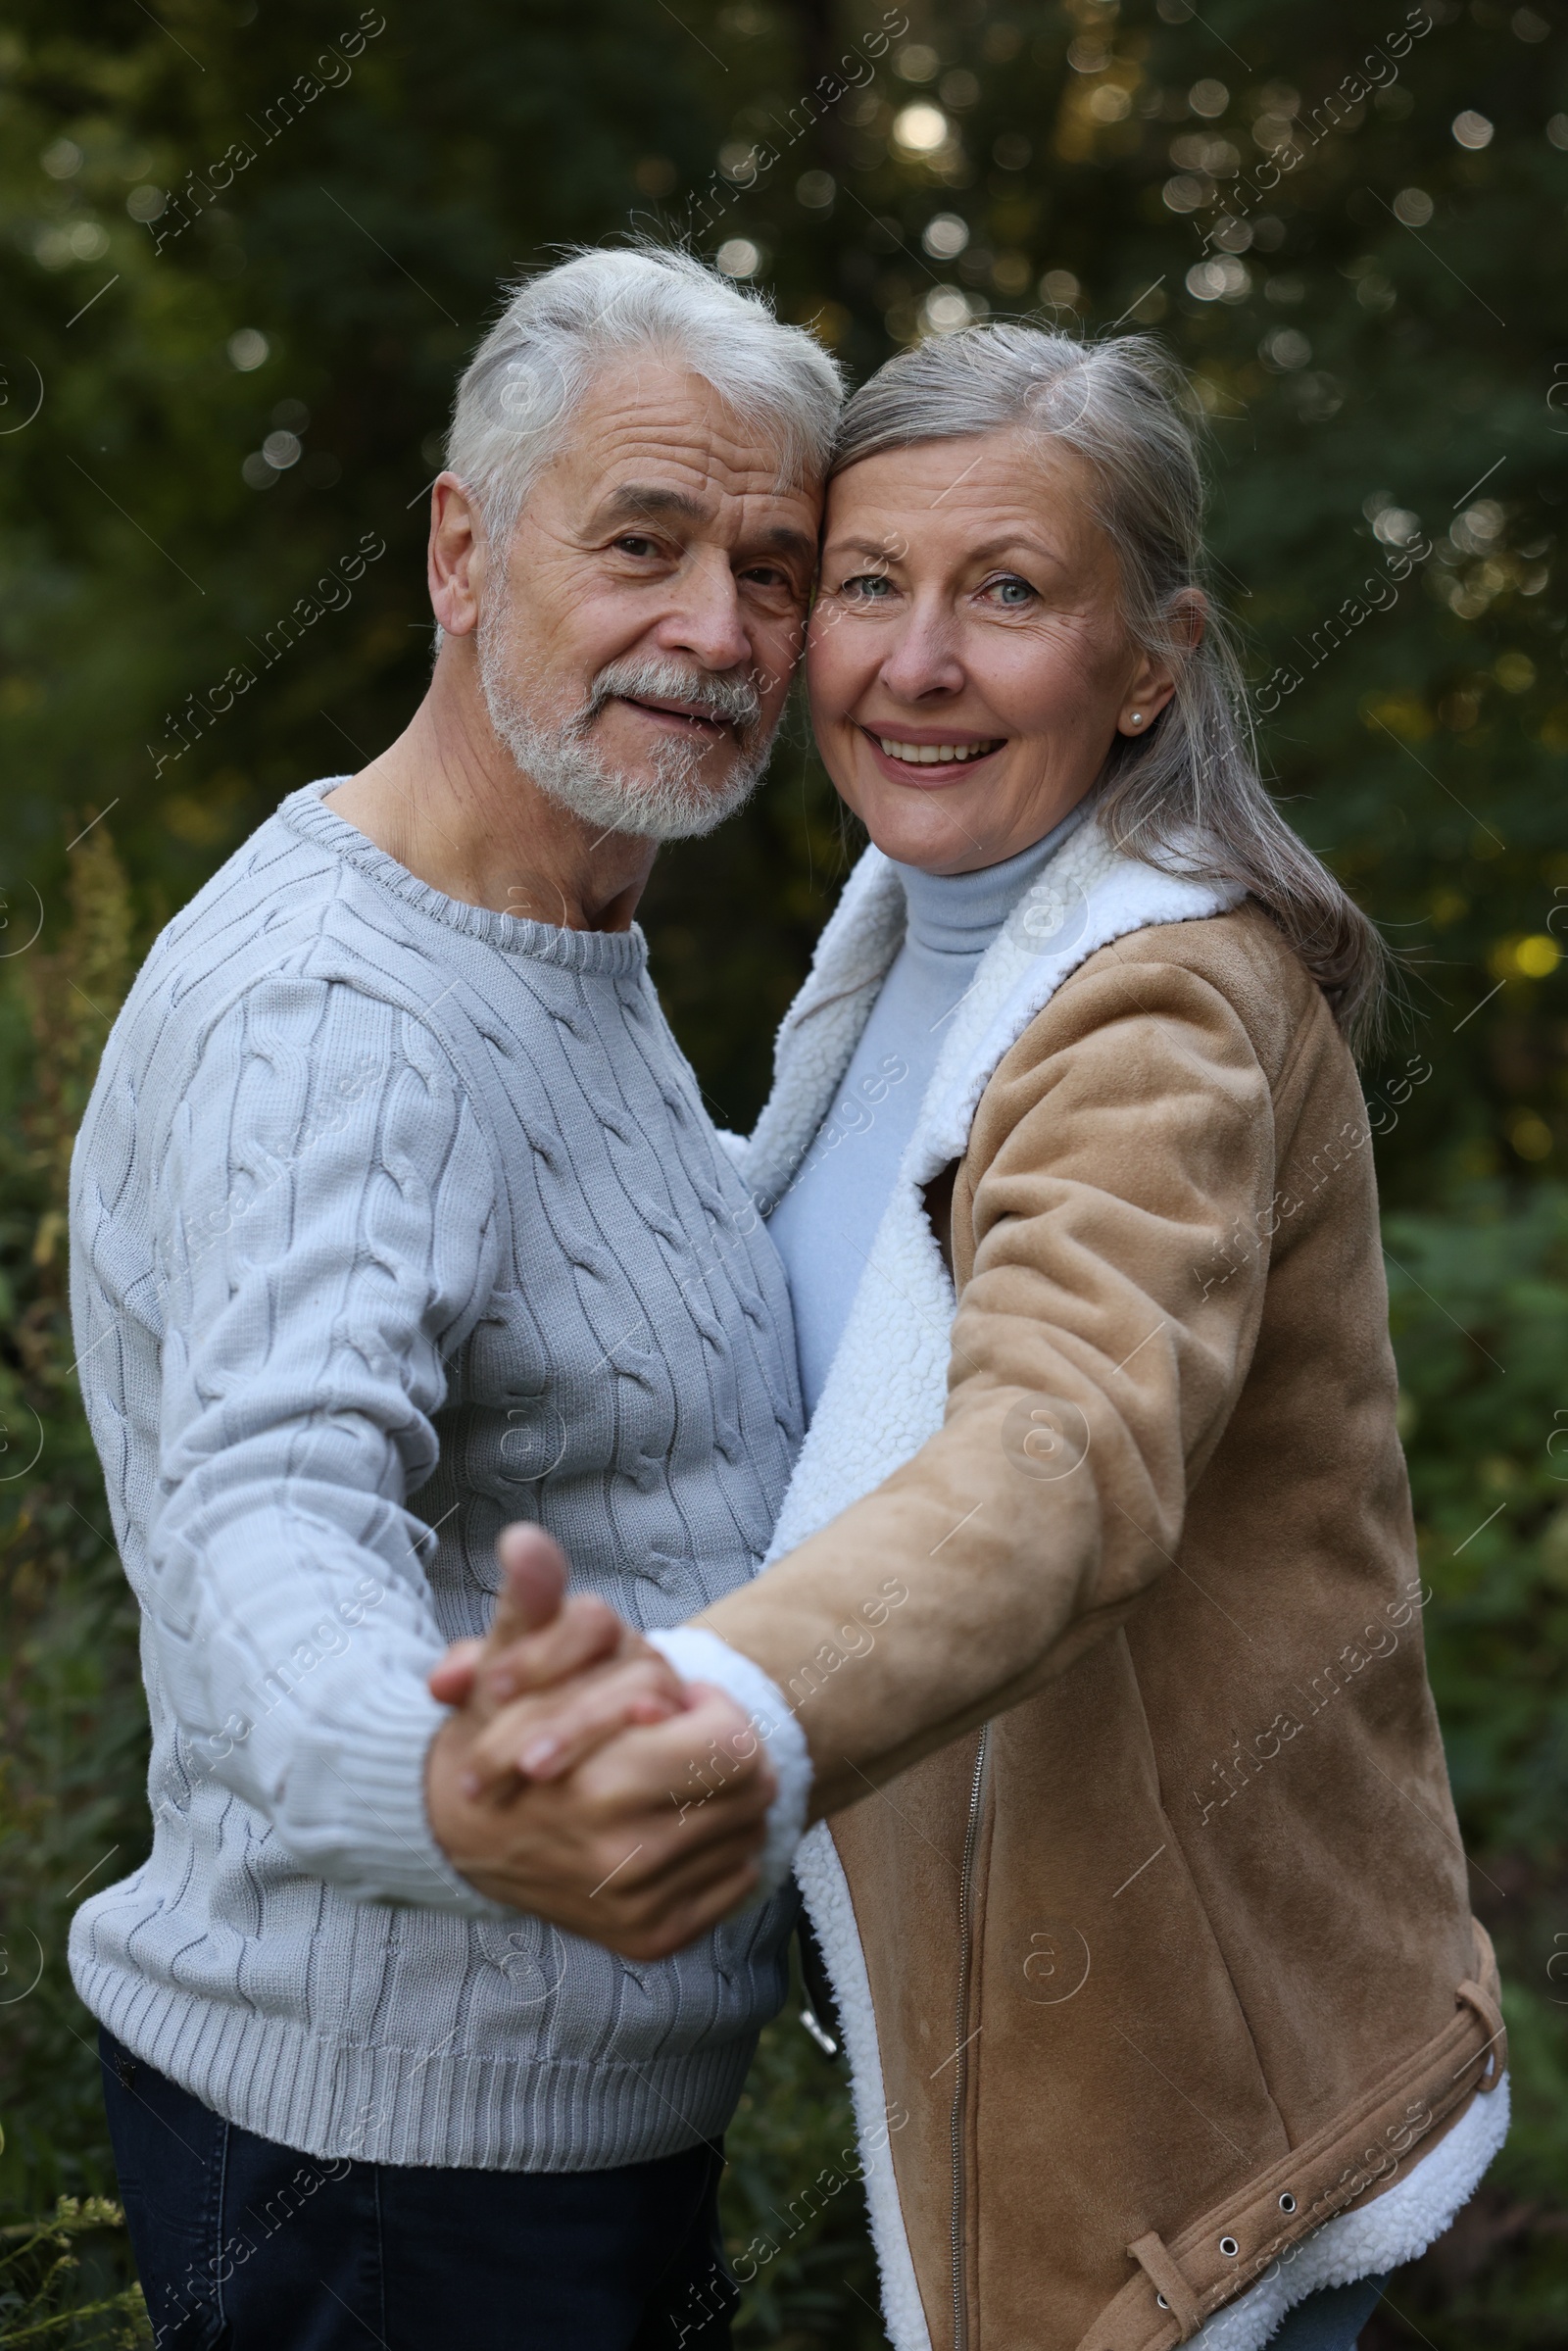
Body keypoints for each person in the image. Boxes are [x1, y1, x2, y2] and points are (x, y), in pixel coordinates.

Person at [459, 325, 1509, 2351]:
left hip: (1180, 2137)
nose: (912, 664)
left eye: (1004, 594)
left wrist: (708, 1708)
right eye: (866, 584)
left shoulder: (1152, 1012)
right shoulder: (906, 956)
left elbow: (1062, 1455)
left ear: (1149, 660)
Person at [67, 245, 841, 2351]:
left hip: (551, 2152)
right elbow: (264, 1515)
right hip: (389, 2198)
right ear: (460, 546)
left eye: (772, 570)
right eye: (643, 543)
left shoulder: (553, 929)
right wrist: (440, 1789)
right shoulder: (341, 1008)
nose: (714, 630)